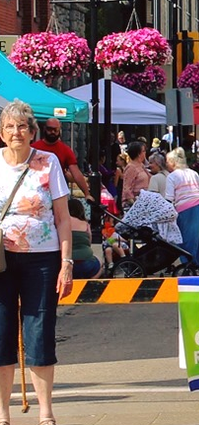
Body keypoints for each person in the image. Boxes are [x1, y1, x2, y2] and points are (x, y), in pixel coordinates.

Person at [0, 99, 72, 425]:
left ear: (32, 132)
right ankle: (2, 414)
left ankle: (45, 412)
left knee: (40, 332)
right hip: (0, 260)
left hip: (42, 259)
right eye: (10, 126)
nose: (17, 132)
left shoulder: (49, 162)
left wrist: (66, 262)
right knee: (1, 335)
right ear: (2, 133)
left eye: (22, 126)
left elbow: (62, 218)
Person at [31, 118, 95, 203]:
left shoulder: (65, 150)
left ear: (60, 130)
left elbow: (76, 173)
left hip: (58, 192)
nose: (52, 132)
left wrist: (87, 194)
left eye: (55, 130)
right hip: (36, 191)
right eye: (50, 129)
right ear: (45, 129)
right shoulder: (33, 148)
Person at [165, 148, 199, 271]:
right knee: (198, 237)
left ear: (173, 162)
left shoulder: (172, 177)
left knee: (186, 238)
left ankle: (188, 264)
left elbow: (169, 198)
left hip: (186, 207)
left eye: (168, 161)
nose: (167, 164)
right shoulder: (193, 173)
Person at [67, 198, 102, 279]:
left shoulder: (63, 222)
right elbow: (89, 243)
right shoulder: (85, 224)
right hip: (86, 262)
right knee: (100, 264)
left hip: (68, 263)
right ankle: (88, 285)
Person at [121, 141, 151, 209]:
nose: (145, 153)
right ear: (138, 153)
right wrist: (134, 203)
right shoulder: (131, 167)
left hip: (144, 201)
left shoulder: (141, 165)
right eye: (143, 151)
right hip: (135, 203)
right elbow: (127, 188)